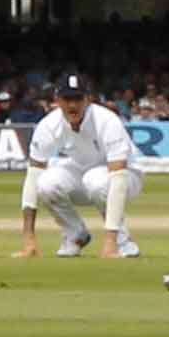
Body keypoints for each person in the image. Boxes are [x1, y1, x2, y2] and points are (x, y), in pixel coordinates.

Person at [15, 71, 143, 259]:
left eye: (78, 99)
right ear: (58, 100)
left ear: (88, 99)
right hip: (81, 172)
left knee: (97, 182)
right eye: (67, 99)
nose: (72, 105)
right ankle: (75, 235)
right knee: (45, 183)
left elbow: (118, 177)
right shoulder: (48, 125)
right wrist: (28, 238)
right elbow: (33, 175)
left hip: (127, 176)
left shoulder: (107, 121)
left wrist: (110, 240)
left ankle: (122, 241)